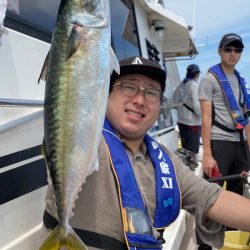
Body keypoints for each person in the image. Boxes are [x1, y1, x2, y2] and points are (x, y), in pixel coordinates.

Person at [41, 56, 250, 250]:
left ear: (159, 105)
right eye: (128, 87)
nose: (140, 100)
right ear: (105, 94)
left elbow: (212, 198)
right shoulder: (83, 139)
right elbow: (69, 94)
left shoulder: (166, 160)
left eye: (151, 92)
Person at [199, 33, 250, 195]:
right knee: (214, 191)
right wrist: (207, 154)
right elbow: (205, 117)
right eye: (228, 49)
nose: (233, 53)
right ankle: (214, 222)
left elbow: (246, 117)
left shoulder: (241, 80)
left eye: (237, 49)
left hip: (240, 144)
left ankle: (233, 221)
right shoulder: (209, 79)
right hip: (219, 143)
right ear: (220, 51)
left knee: (239, 189)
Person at [176, 64, 201, 155]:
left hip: (181, 122)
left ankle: (185, 167)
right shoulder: (194, 85)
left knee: (185, 150)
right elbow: (197, 106)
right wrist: (206, 115)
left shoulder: (181, 85)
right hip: (192, 123)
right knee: (192, 152)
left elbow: (174, 102)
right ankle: (189, 169)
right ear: (197, 74)